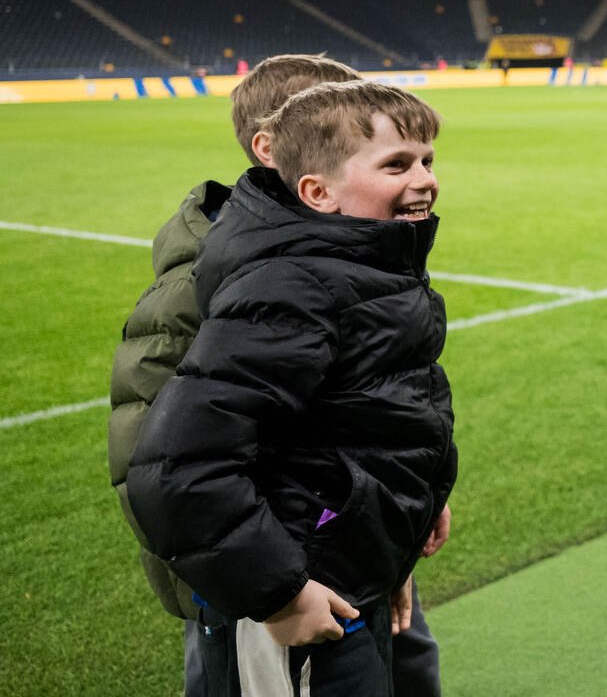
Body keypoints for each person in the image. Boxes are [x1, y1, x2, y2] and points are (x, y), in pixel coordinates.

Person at [107, 55, 446, 697]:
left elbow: (362, 412)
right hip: (272, 575)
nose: (422, 178)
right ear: (278, 149)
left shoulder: (354, 257)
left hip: (343, 548)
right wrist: (266, 589)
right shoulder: (252, 275)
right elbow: (166, 455)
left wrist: (397, 523)